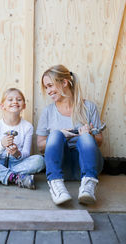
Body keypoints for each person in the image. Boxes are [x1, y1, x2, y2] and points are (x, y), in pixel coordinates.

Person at [36, 64, 104, 205]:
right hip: (62, 167)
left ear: (64, 82)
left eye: (50, 85)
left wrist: (90, 135)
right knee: (55, 135)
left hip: (86, 166)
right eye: (46, 87)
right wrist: (61, 135)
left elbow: (100, 141)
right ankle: (56, 185)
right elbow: (41, 147)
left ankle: (88, 186)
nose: (48, 91)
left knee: (85, 137)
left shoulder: (89, 107)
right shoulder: (48, 111)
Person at [0, 88, 45, 189]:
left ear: (24, 105)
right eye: (10, 99)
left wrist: (17, 153)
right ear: (2, 106)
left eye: (19, 99)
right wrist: (2, 145)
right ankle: (14, 177)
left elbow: (26, 154)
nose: (15, 102)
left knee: (40, 160)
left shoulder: (27, 127)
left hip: (18, 163)